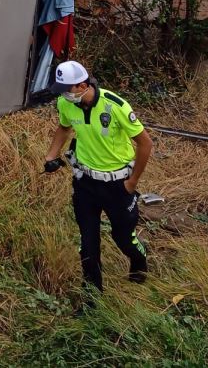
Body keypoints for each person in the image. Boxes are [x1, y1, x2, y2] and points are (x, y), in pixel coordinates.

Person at [42, 60, 152, 294]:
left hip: (117, 186)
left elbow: (145, 143)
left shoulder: (115, 106)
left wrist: (132, 183)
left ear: (82, 86)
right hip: (85, 184)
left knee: (123, 237)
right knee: (88, 243)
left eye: (66, 90)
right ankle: (92, 296)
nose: (62, 95)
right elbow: (64, 128)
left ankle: (139, 260)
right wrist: (51, 155)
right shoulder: (65, 103)